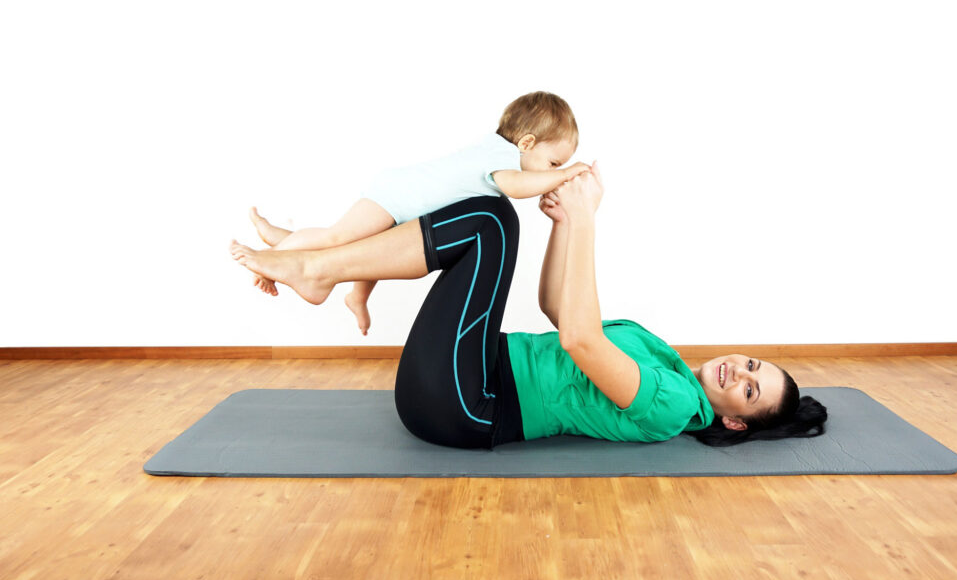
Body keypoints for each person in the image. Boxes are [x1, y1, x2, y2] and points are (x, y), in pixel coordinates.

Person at [229, 164, 828, 449]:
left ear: (732, 421)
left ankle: (319, 268)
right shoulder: (664, 358)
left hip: (465, 405)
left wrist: (590, 220)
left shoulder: (673, 406)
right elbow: (556, 310)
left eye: (750, 391)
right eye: (752, 365)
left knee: (491, 223)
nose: (740, 372)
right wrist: (567, 225)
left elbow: (581, 342)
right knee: (493, 216)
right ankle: (322, 257)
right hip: (463, 378)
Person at [244, 90, 590, 336]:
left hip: (402, 203)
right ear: (526, 144)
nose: (551, 172)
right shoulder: (502, 156)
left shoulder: (497, 150)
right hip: (395, 195)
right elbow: (515, 187)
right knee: (335, 238)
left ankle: (351, 293)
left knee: (366, 252)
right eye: (552, 162)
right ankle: (274, 257)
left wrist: (554, 174)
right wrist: (564, 175)